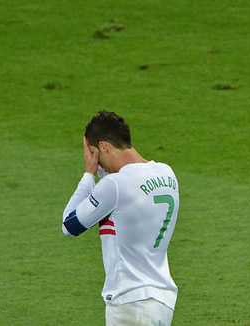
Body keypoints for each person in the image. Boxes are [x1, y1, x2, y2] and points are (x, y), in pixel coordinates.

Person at [62, 111, 179, 325]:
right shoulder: (166, 174)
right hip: (162, 301)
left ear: (104, 147)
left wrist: (89, 174)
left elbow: (69, 224)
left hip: (131, 304)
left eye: (94, 154)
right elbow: (125, 201)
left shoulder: (114, 186)